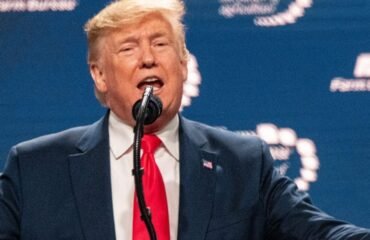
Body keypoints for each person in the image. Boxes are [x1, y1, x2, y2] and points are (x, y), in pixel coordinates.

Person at [0, 0, 369, 239]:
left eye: (161, 44)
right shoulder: (34, 168)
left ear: (183, 64)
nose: (148, 58)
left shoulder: (243, 162)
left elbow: (321, 235)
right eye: (128, 48)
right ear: (99, 75)